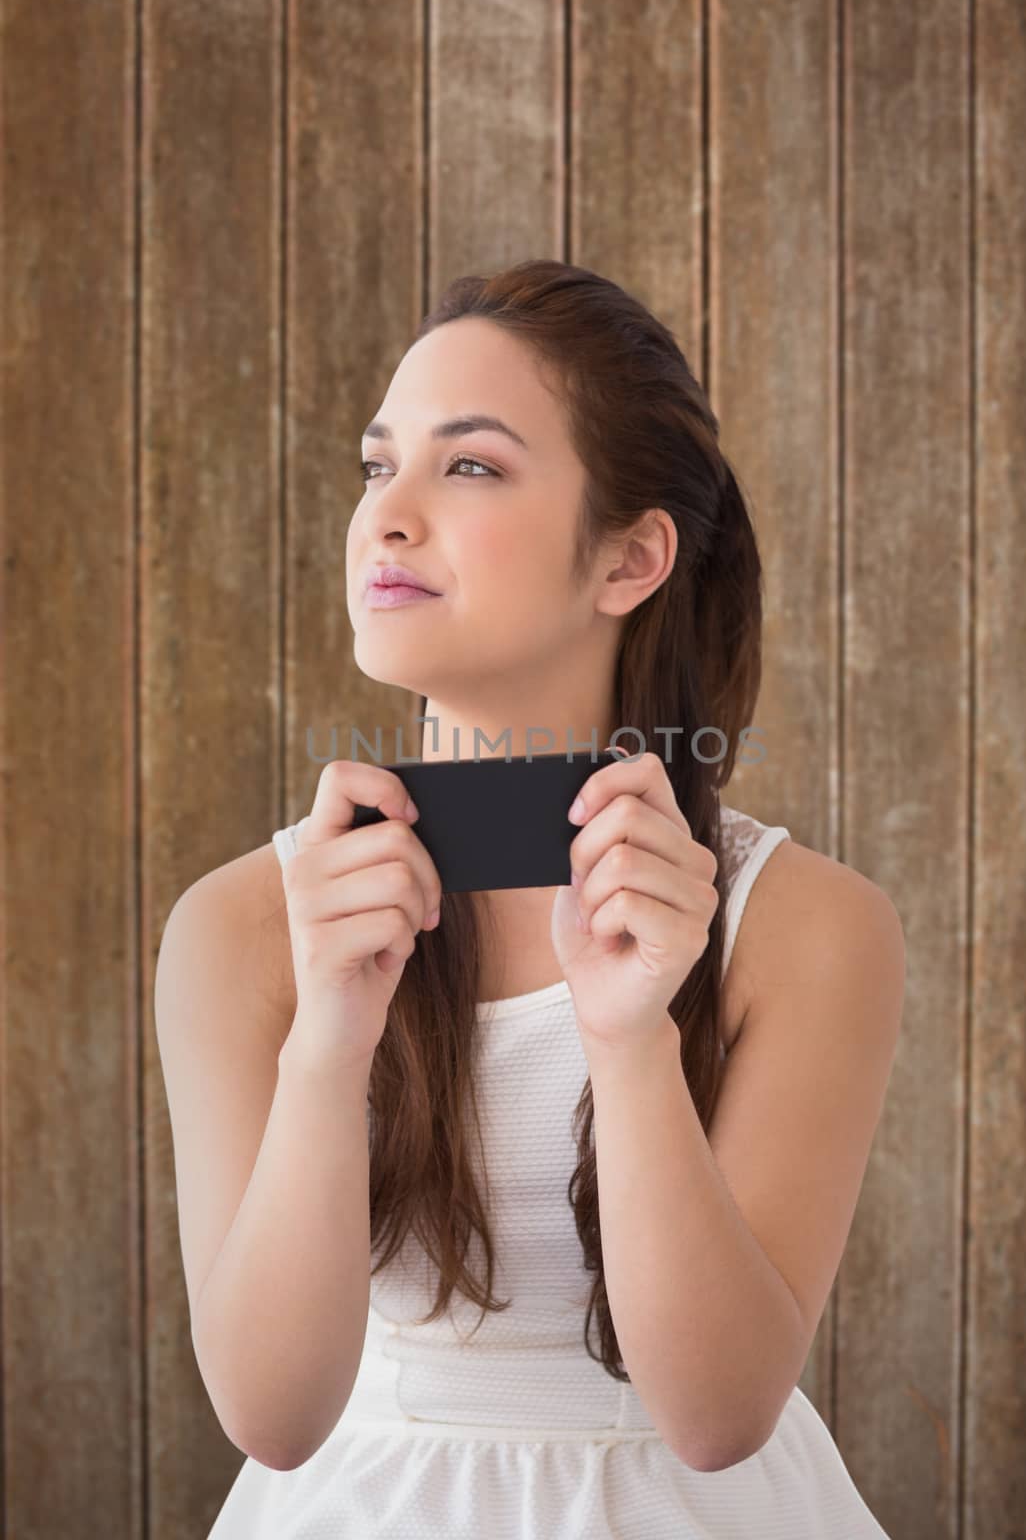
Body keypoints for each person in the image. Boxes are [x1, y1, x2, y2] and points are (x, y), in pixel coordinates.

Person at [157, 259, 904, 1537]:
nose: (386, 517)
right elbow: (272, 1418)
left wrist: (629, 1036)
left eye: (471, 466)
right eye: (375, 464)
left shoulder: (808, 927)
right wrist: (331, 1041)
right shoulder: (237, 927)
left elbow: (721, 1415)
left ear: (630, 557)